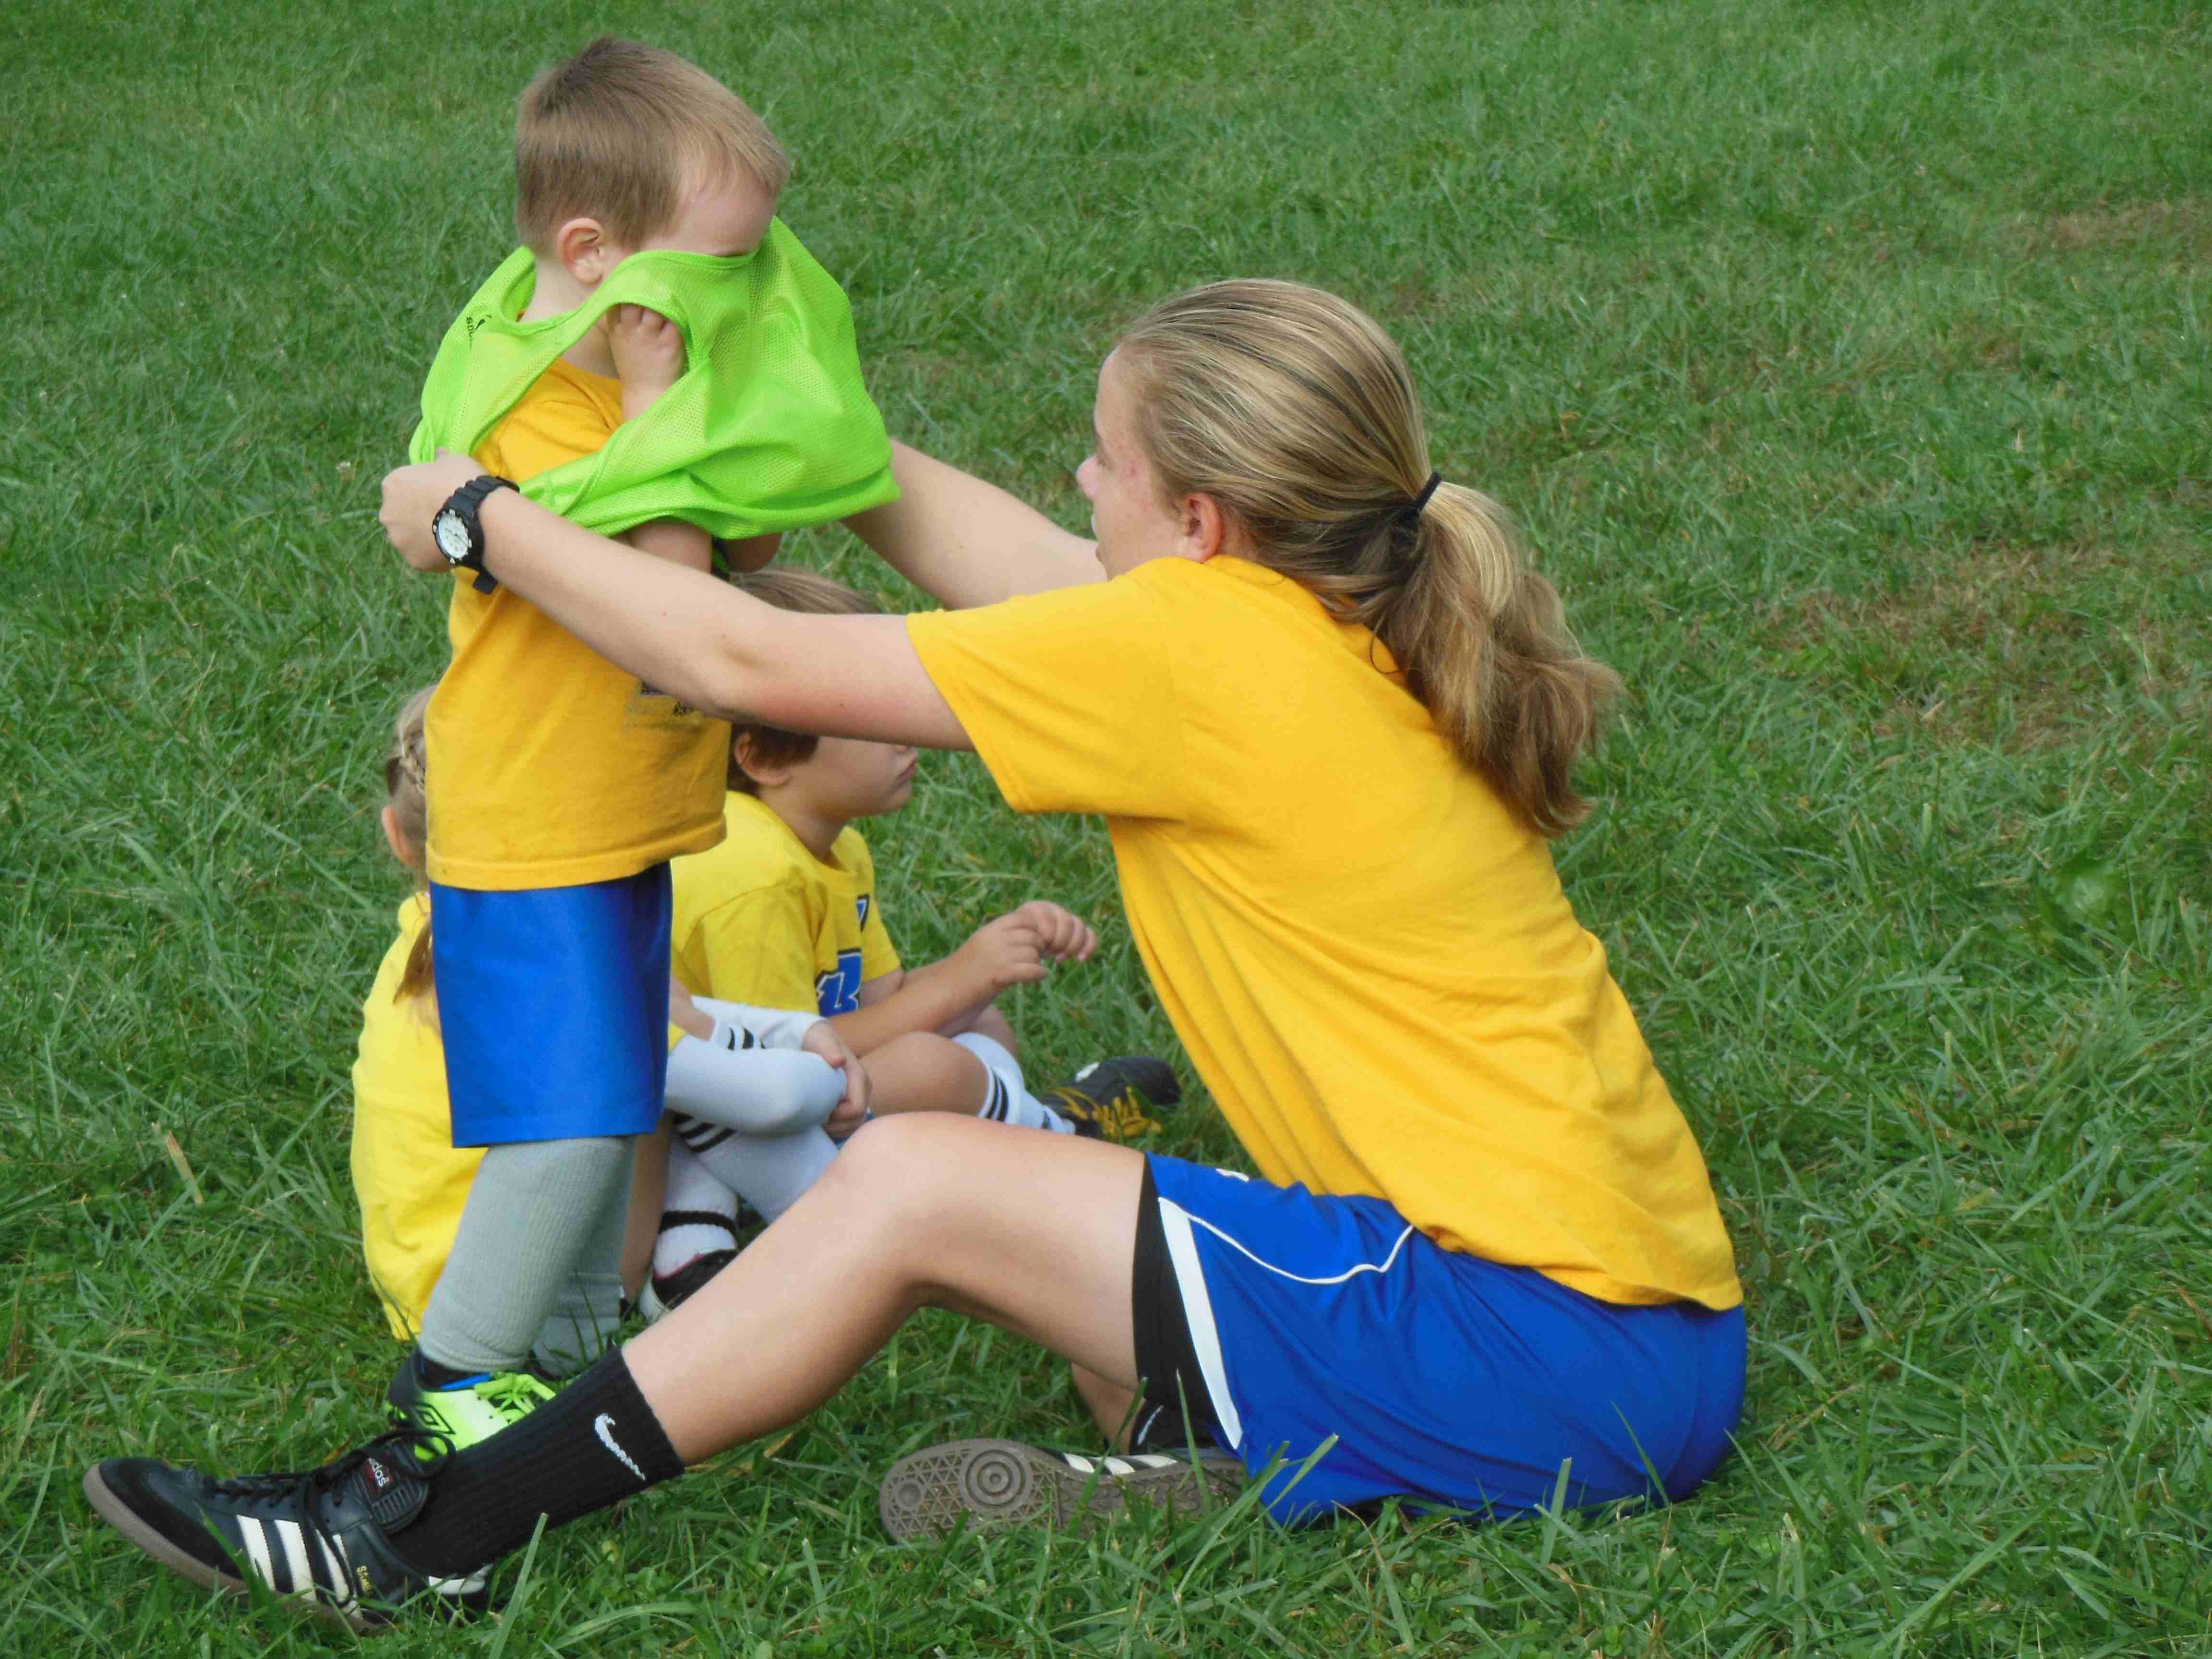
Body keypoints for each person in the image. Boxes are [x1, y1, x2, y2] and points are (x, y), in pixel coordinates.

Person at [84, 280, 1746, 1631]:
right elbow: (1022, 567)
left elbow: (743, 662)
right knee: (1096, 1314)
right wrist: (783, 411)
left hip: (1550, 1348)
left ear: (1199, 518)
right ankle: (1223, 1461)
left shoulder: (1196, 648)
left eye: (1100, 460)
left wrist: (476, 518)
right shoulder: (1316, 617)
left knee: (917, 1185)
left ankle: (420, 1533)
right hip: (1633, 1336)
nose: (1074, 482)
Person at [384, 37, 898, 1453]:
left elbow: (745, 548)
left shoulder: (609, 376)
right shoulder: (544, 411)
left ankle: (558, 1357)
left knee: (610, 1104)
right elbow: (672, 602)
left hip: (614, 814)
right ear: (594, 256)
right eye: (721, 265)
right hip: (535, 820)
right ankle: (450, 1389)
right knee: (561, 1124)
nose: (746, 289)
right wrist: (667, 417)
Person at [644, 567, 1180, 1316]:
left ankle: (1011, 1139)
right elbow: (788, 1059)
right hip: (715, 1127)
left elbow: (881, 1002)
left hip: (801, 1087)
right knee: (935, 1062)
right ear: (763, 757)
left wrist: (980, 969)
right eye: (868, 714)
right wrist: (963, 976)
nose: (907, 729)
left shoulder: (834, 845)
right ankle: (1062, 1141)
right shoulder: (749, 872)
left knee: (978, 1026)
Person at [350, 684, 875, 1367]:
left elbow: (675, 1012)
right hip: (518, 1321)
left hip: (430, 1289)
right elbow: (774, 1100)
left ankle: (755, 1237)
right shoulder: (551, 971)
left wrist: (790, 1031)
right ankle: (853, 1241)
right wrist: (813, 1065)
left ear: (399, 838)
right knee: (668, 1079)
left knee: (664, 1054)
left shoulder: (435, 942)